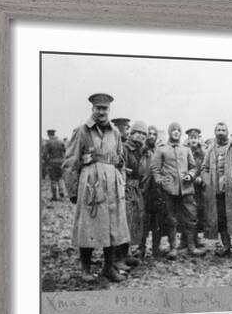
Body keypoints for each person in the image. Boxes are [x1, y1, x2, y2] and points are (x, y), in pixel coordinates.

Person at [63, 93, 129, 283]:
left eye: (105, 108)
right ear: (92, 109)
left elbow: (120, 159)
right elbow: (70, 162)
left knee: (113, 226)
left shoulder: (115, 132)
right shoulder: (82, 131)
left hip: (112, 185)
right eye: (98, 108)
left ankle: (108, 268)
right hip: (91, 184)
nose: (101, 112)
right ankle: (85, 268)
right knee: (89, 226)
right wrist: (73, 190)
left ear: (109, 110)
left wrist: (120, 181)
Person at [151, 122, 205, 259]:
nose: (176, 132)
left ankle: (192, 247)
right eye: (173, 130)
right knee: (171, 219)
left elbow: (193, 167)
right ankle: (173, 248)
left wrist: (190, 175)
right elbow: (155, 170)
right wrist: (162, 182)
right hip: (169, 191)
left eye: (178, 130)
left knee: (191, 218)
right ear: (169, 132)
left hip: (186, 189)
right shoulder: (161, 149)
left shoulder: (185, 149)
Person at [201, 122, 232, 257]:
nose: (221, 132)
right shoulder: (211, 149)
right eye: (218, 130)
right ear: (215, 132)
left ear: (227, 132)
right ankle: (226, 246)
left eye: (223, 130)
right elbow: (204, 168)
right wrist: (207, 180)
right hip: (217, 191)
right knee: (221, 219)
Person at [116, 121, 149, 269]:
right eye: (138, 133)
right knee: (124, 222)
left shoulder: (141, 151)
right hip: (124, 189)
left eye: (144, 134)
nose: (141, 136)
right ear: (131, 133)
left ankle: (126, 254)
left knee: (135, 221)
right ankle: (118, 258)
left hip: (136, 190)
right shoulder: (124, 148)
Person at [139, 125, 166, 258]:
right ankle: (141, 248)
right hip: (144, 189)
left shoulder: (159, 151)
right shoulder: (141, 151)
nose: (151, 136)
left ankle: (156, 248)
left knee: (157, 220)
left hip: (156, 189)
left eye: (154, 134)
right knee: (144, 220)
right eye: (149, 134)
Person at [181, 128, 206, 249]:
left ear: (199, 139)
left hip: (199, 188)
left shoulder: (203, 153)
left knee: (198, 213)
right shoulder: (184, 151)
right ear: (188, 139)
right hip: (187, 186)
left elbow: (206, 167)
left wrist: (201, 176)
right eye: (191, 138)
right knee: (185, 212)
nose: (193, 140)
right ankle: (184, 240)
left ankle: (196, 238)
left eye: (195, 138)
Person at [43, 129, 66, 201]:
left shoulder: (48, 143)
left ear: (49, 135)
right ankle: (61, 192)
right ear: (54, 134)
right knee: (60, 178)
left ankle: (54, 196)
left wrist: (47, 162)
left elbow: (45, 154)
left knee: (53, 179)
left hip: (52, 163)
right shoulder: (60, 142)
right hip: (61, 162)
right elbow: (65, 151)